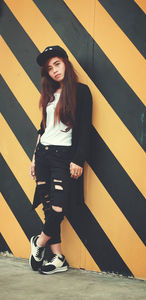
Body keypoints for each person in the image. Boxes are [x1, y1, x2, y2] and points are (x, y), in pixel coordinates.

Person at [29, 46, 92, 275]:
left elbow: (85, 129)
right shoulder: (49, 95)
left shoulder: (81, 92)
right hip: (44, 154)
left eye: (57, 63)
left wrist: (78, 160)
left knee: (58, 207)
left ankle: (39, 242)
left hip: (63, 157)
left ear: (65, 62)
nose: (54, 70)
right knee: (49, 208)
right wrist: (34, 158)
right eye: (49, 68)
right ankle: (58, 258)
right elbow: (42, 129)